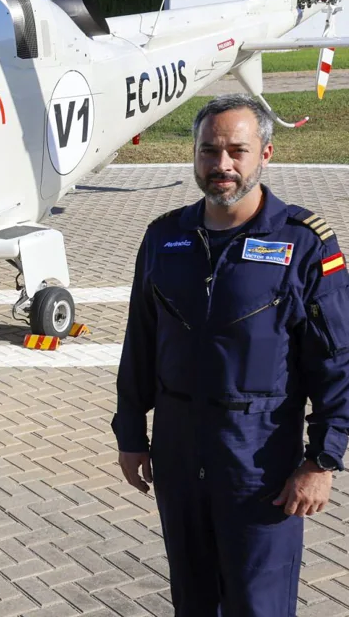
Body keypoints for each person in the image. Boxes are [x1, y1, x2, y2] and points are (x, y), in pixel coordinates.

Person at [111, 93, 349, 616]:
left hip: (259, 456)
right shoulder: (163, 237)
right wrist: (132, 432)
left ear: (265, 153)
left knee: (256, 603)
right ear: (194, 155)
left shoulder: (305, 244)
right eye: (208, 150)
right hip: (178, 448)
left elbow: (337, 362)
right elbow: (141, 342)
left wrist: (322, 460)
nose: (221, 164)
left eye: (236, 151)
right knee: (192, 599)